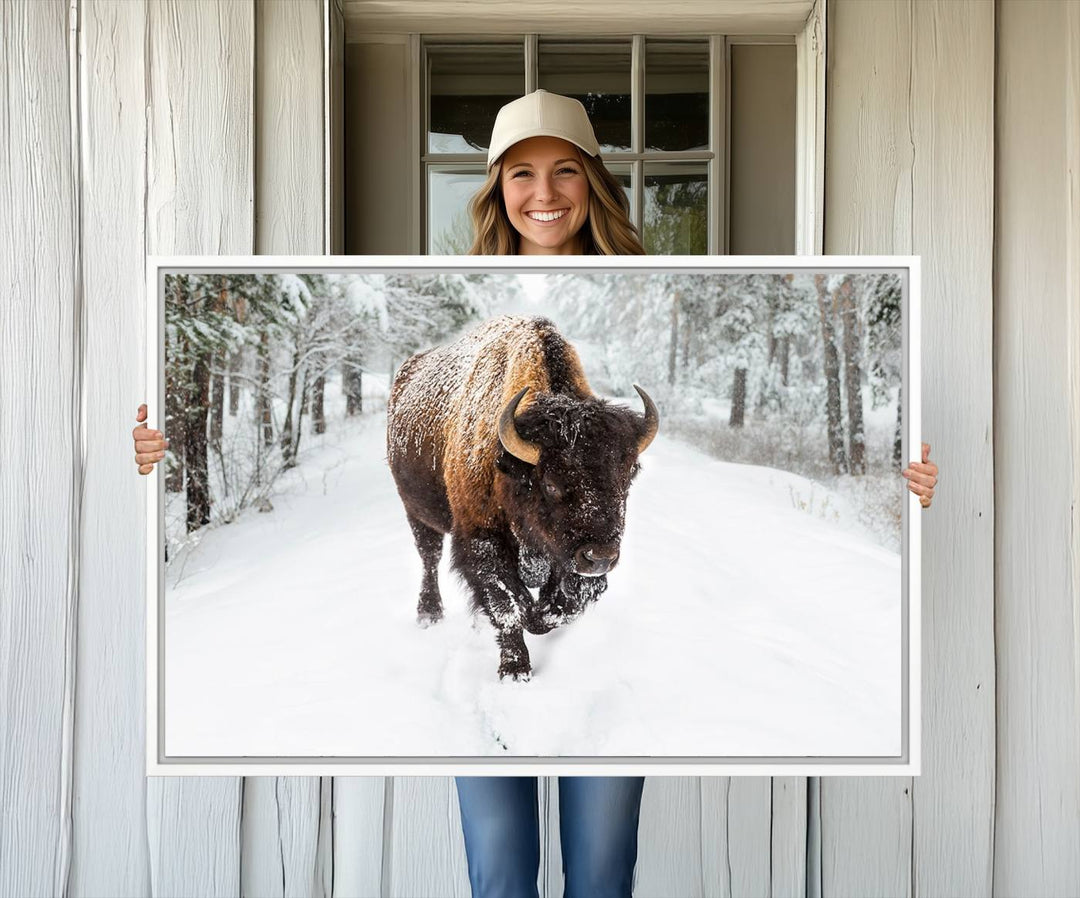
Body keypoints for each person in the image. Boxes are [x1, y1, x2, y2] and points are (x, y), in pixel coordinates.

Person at [131, 90, 939, 898]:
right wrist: (155, 454)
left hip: (599, 722)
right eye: (521, 173)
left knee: (600, 876)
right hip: (466, 500)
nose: (544, 194)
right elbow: (477, 532)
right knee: (501, 876)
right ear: (495, 189)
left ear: (595, 181)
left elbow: (597, 464)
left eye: (565, 172)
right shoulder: (473, 381)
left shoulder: (632, 314)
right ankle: (458, 597)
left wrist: (914, 489)